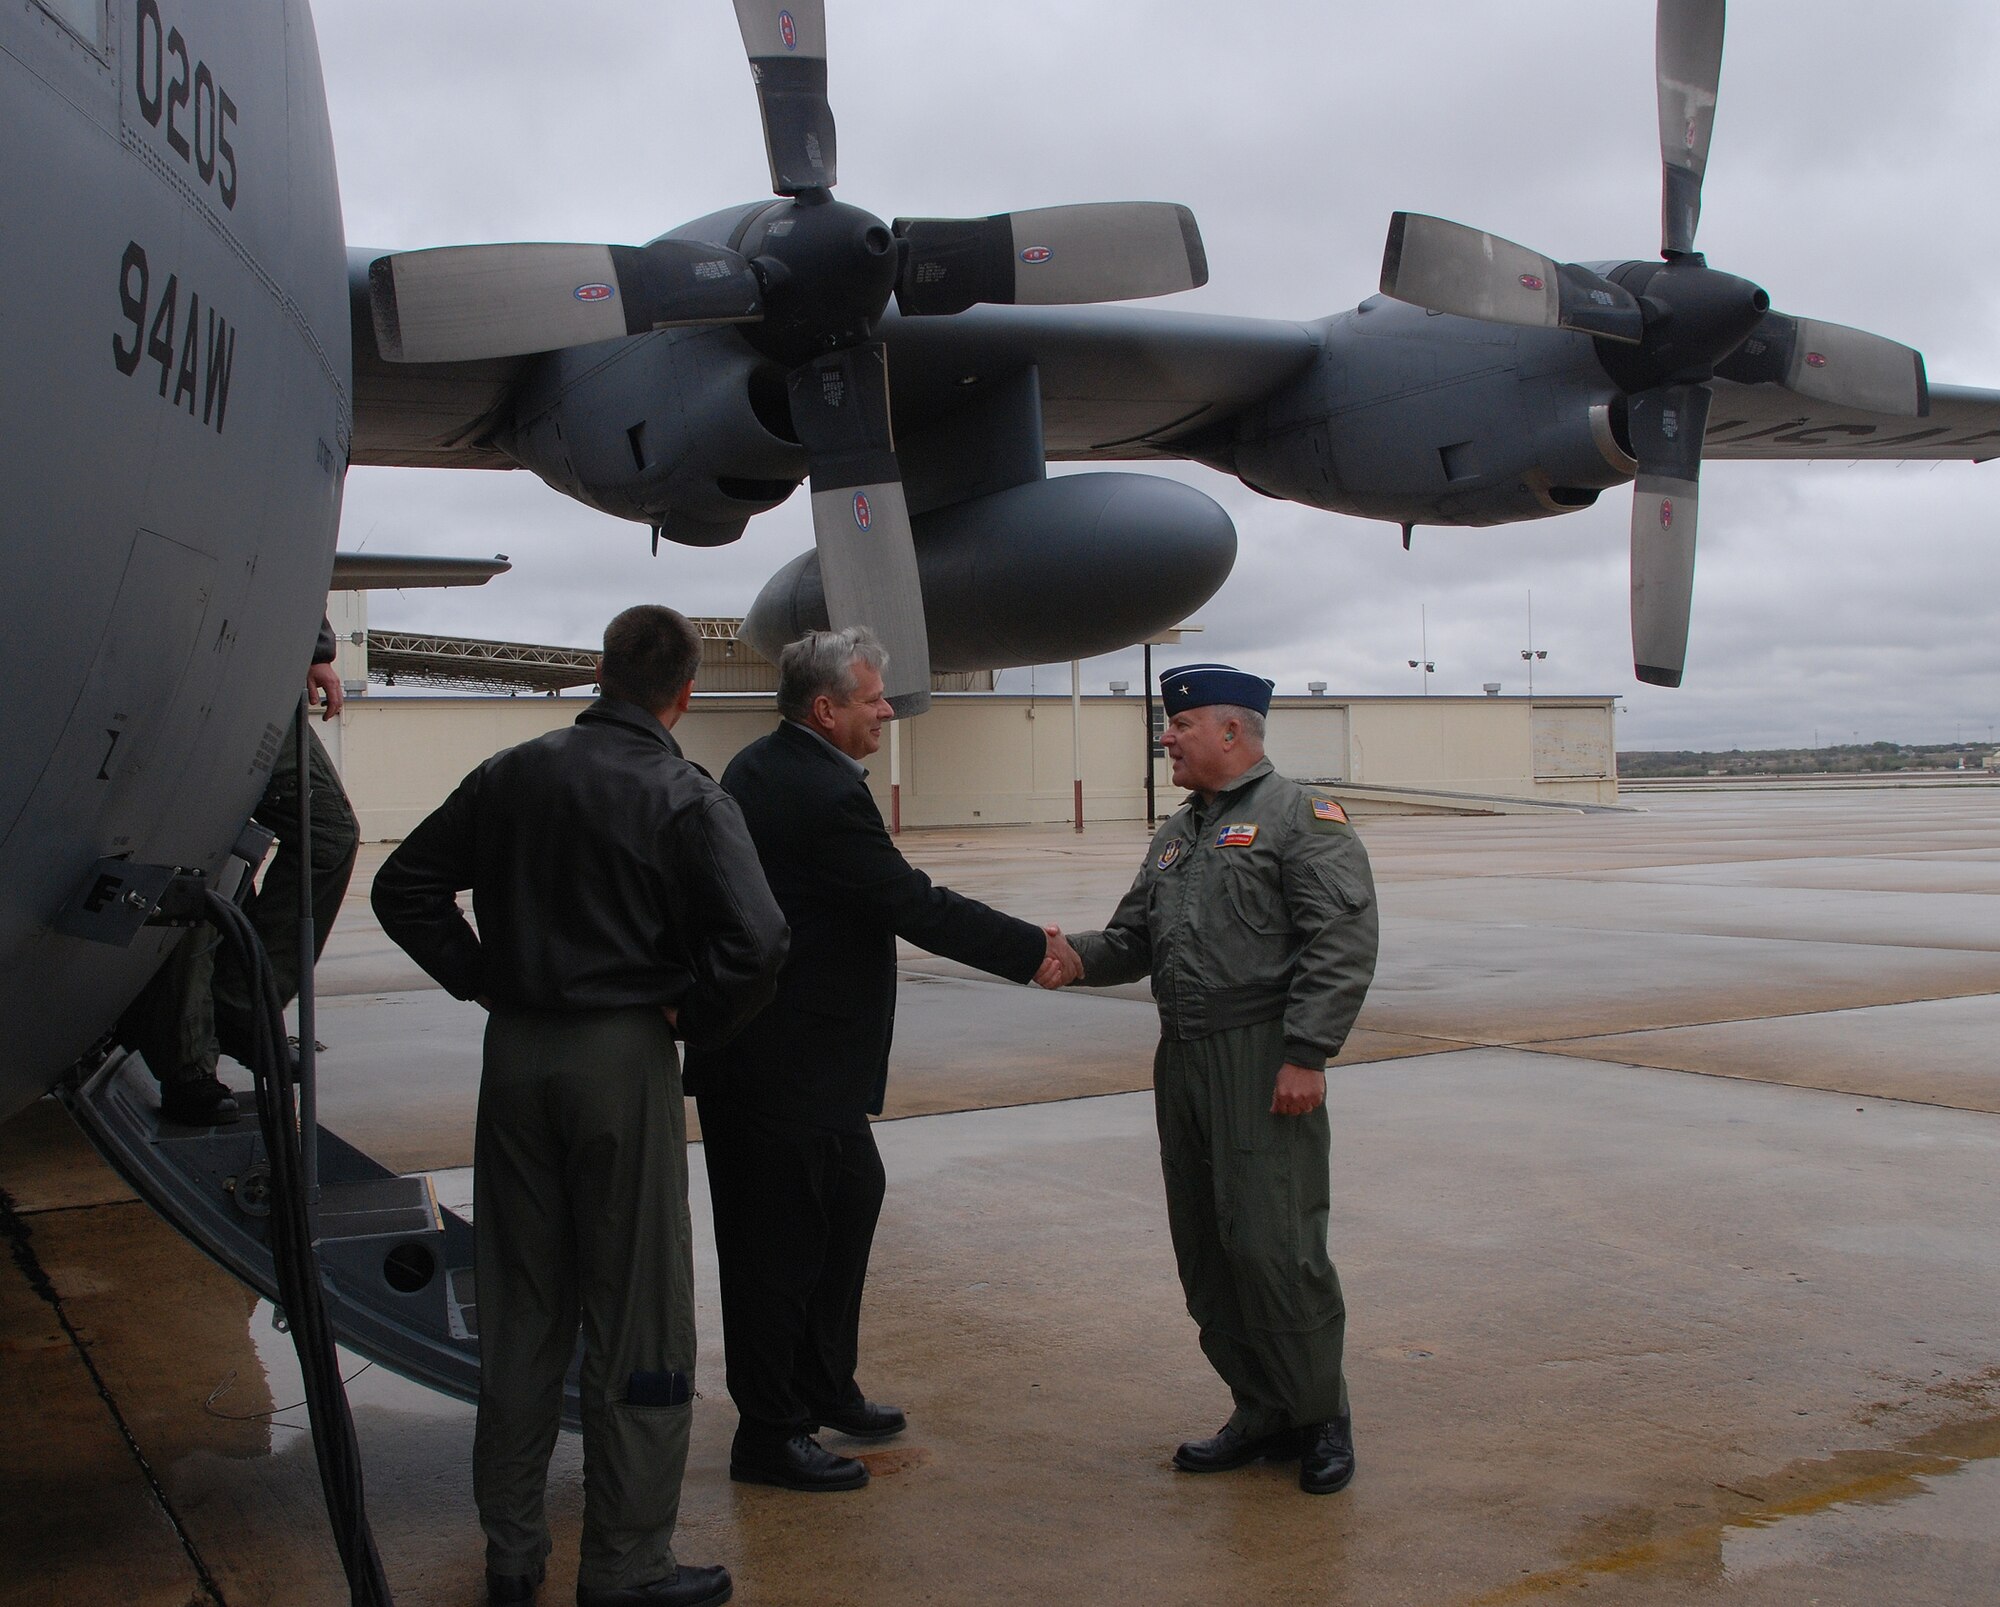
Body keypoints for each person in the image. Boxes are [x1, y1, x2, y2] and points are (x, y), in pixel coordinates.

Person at [372, 605, 788, 1607]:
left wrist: (485, 977)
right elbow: (761, 940)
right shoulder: (684, 794)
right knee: (637, 1310)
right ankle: (626, 1561)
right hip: (618, 1051)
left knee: (521, 1309)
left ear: (601, 671)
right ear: (684, 693)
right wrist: (694, 1016)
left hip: (514, 1053)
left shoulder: (511, 772)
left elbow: (404, 884)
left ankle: (512, 1554)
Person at [683, 626, 1071, 1493]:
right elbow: (909, 901)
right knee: (774, 1248)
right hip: (781, 1064)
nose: (886, 711)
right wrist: (1030, 948)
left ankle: (822, 1383)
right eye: (871, 699)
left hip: (798, 1062)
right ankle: (770, 1433)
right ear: (826, 709)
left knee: (849, 1199)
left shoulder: (767, 763)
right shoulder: (819, 793)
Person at [1042, 662, 1379, 1496]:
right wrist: (1072, 953)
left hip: (1262, 1055)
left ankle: (1318, 1416)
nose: (1167, 739)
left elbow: (1341, 939)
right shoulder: (1177, 833)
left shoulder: (1301, 817)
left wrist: (1308, 1052)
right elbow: (1134, 938)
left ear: (1230, 731)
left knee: (1276, 1243)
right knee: (1206, 1247)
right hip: (1183, 1056)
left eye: (1179, 726)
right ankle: (1260, 1407)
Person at [123, 616, 360, 1124]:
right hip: (177, 660)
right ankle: (187, 1060)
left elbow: (291, 545)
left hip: (255, 671)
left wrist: (314, 647)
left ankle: (241, 1003)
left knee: (329, 833)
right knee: (197, 854)